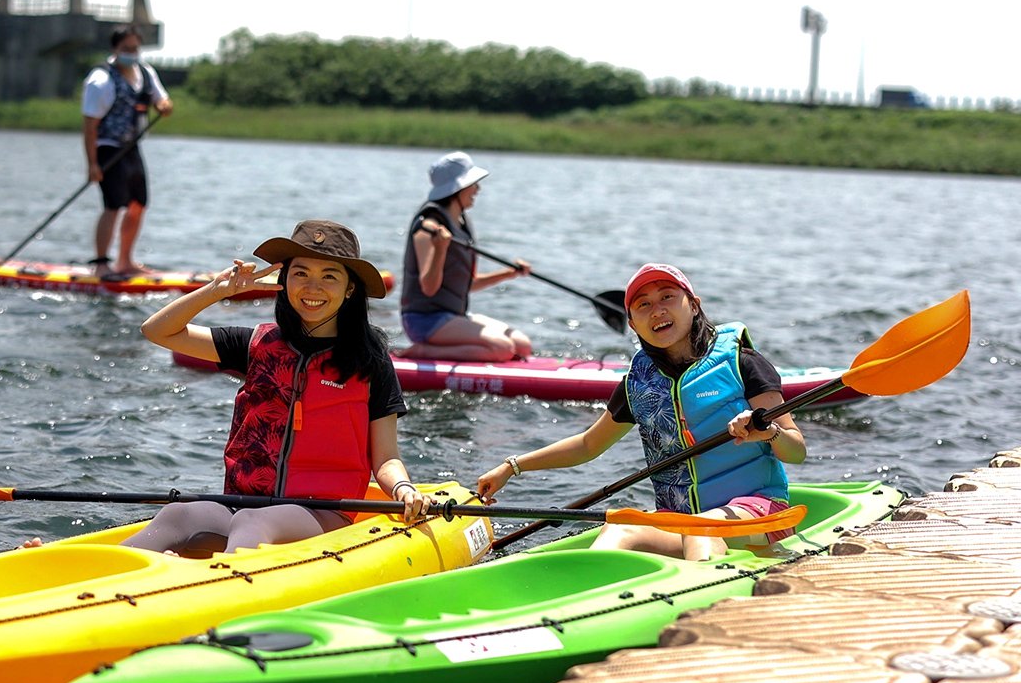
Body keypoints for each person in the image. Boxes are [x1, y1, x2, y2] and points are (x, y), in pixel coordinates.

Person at [96, 220, 431, 557]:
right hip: (242, 504)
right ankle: (85, 574)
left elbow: (386, 458)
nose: (313, 287)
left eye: (329, 276)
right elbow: (157, 331)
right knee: (178, 513)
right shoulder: (257, 343)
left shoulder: (370, 361)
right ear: (284, 282)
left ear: (349, 290)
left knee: (256, 524)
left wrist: (403, 489)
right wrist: (217, 291)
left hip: (322, 515)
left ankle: (216, 585)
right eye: (300, 274)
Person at [476, 263, 807, 561]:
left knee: (701, 530)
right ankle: (588, 609)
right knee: (619, 529)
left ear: (693, 305)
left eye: (667, 297)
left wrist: (770, 432)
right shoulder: (639, 385)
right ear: (632, 323)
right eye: (643, 305)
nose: (657, 311)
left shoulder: (742, 362)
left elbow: (796, 450)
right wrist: (512, 467)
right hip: (682, 521)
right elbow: (588, 445)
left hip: (761, 513)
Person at [398, 151, 534, 362]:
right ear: (458, 188)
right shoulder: (427, 229)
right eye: (473, 183)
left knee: (522, 345)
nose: (477, 189)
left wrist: (509, 273)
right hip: (424, 321)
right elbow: (429, 287)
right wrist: (440, 248)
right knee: (503, 348)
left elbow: (467, 285)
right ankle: (423, 352)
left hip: (453, 317)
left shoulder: (462, 224)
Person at [81, 24, 174, 280]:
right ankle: (101, 264)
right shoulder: (101, 80)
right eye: (126, 49)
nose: (132, 53)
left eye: (135, 48)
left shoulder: (145, 72)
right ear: (115, 49)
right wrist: (92, 165)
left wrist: (164, 106)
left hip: (132, 147)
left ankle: (125, 262)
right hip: (107, 148)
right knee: (113, 206)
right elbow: (90, 126)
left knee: (138, 204)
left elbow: (160, 98)